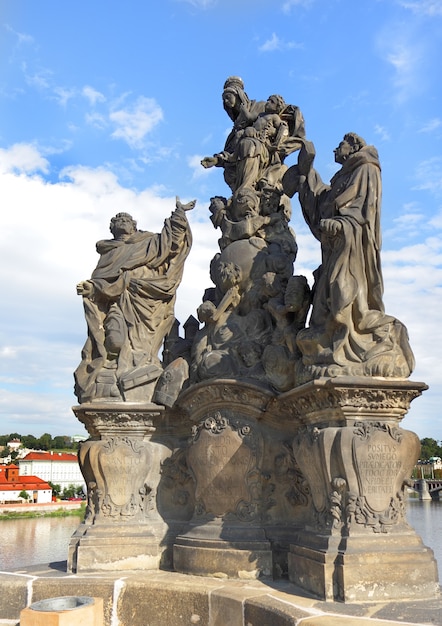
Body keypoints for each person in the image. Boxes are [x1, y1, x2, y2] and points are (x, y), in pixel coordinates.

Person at [285, 133, 415, 379]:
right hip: (337, 245)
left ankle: (356, 338)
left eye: (341, 144)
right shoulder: (343, 176)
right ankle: (334, 340)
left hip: (353, 244)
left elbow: (363, 210)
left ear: (354, 146)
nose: (336, 148)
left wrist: (343, 224)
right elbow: (324, 201)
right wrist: (306, 176)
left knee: (342, 289)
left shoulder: (366, 168)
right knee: (326, 298)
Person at [74, 197, 194, 403]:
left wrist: (178, 215)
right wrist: (92, 288)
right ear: (112, 228)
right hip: (120, 302)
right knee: (114, 339)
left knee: (143, 345)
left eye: (125, 218)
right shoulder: (109, 253)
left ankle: (135, 374)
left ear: (134, 226)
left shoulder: (147, 241)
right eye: (117, 219)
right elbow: (103, 282)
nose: (121, 220)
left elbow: (172, 243)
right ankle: (112, 370)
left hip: (149, 300)